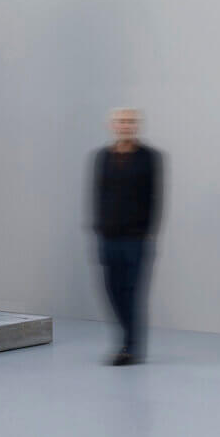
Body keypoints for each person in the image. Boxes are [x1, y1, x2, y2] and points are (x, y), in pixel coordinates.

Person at [92, 108, 162, 366]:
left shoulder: (149, 157)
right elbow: (98, 194)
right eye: (121, 121)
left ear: (136, 126)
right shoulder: (103, 156)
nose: (126, 125)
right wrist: (98, 228)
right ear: (113, 126)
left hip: (136, 238)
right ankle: (127, 338)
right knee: (113, 291)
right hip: (108, 236)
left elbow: (155, 196)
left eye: (130, 121)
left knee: (132, 292)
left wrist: (149, 232)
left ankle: (130, 347)